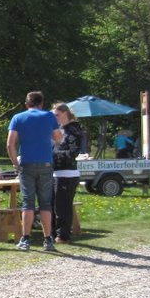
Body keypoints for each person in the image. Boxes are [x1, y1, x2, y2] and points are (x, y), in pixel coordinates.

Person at [6, 91, 62, 252]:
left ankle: (25, 239)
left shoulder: (18, 118)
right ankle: (48, 239)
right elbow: (58, 138)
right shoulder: (49, 116)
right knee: (45, 203)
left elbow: (10, 144)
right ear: (42, 104)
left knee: (28, 202)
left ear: (26, 104)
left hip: (26, 163)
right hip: (45, 163)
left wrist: (15, 163)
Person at [52, 102, 84, 243]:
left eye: (57, 115)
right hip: (56, 172)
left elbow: (72, 152)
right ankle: (54, 232)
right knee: (55, 205)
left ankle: (63, 235)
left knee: (63, 206)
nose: (55, 118)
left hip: (67, 173)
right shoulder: (60, 129)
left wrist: (52, 155)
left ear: (65, 113)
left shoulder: (74, 130)